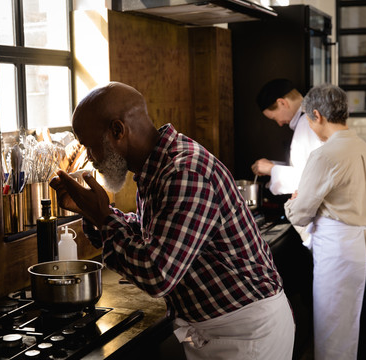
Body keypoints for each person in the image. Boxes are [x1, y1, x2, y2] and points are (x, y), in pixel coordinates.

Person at [49, 82, 295, 360]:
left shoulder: (184, 171)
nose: (90, 159)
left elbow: (158, 274)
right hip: (220, 328)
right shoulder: (156, 166)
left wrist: (103, 216)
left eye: (90, 146)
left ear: (118, 131)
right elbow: (153, 235)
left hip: (247, 335)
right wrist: (93, 214)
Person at [284, 84, 366, 360]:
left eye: (309, 121)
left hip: (343, 258)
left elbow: (301, 212)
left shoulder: (325, 154)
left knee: (336, 336)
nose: (310, 127)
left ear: (317, 115)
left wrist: (292, 201)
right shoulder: (362, 146)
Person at [251, 78, 323, 196]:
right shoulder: (311, 117)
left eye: (275, 118)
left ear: (282, 103)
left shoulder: (307, 123)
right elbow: (308, 167)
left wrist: (271, 169)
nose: (279, 124)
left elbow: (311, 179)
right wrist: (273, 166)